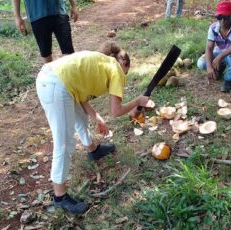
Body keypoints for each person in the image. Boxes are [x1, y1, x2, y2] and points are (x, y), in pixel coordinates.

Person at [36, 42, 150, 214]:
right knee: (64, 142)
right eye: (126, 73)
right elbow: (116, 111)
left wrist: (96, 117)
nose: (124, 77)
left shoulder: (103, 62)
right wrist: (137, 102)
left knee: (80, 119)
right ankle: (60, 197)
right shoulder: (117, 70)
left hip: (54, 80)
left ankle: (93, 150)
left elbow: (80, 95)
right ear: (124, 64)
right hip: (56, 86)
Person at [197, 0, 231, 92]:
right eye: (219, 17)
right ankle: (220, 68)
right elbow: (209, 48)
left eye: (225, 17)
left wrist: (220, 56)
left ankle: (228, 80)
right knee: (201, 63)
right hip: (219, 51)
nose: (222, 20)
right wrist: (209, 66)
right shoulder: (213, 28)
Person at [12, 0, 78, 63]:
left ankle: (72, 73)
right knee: (46, 52)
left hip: (59, 11)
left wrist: (73, 6)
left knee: (69, 51)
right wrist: (17, 17)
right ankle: (49, 73)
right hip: (37, 14)